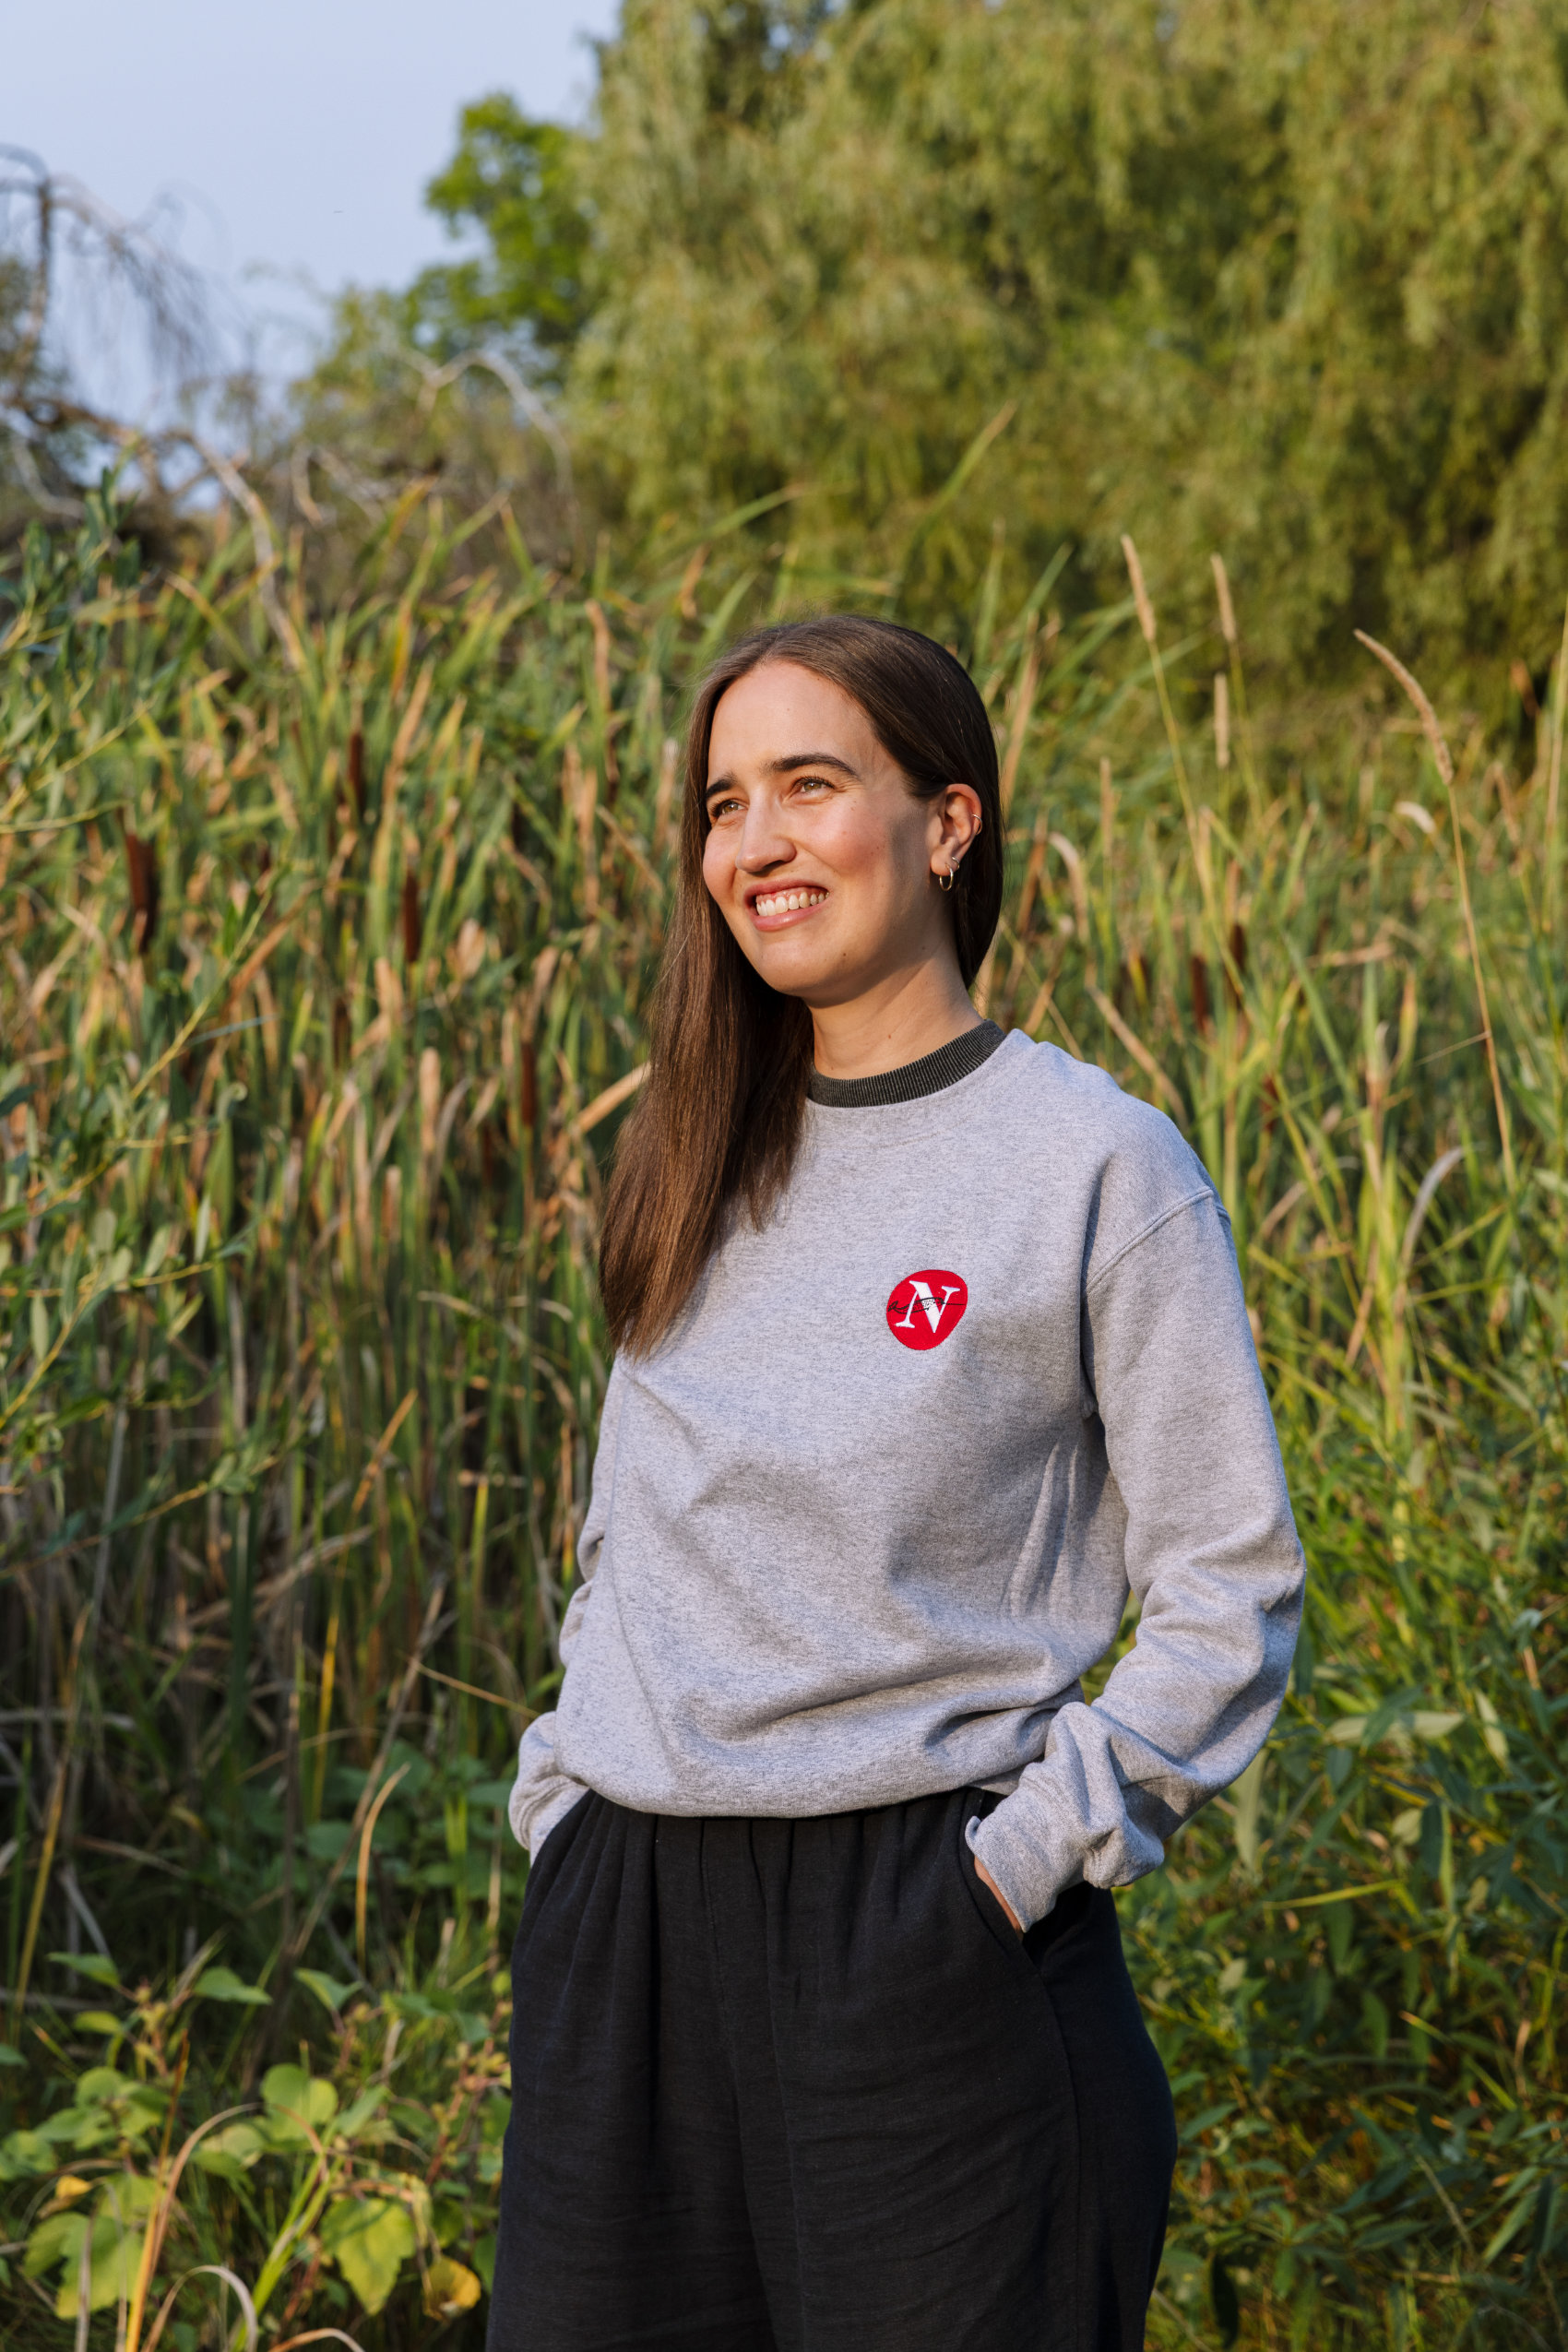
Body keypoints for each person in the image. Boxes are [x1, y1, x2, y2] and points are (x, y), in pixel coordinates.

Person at [489, 615, 1304, 2352]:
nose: (757, 842)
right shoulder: (691, 1152)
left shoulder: (1090, 1161)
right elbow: (627, 1538)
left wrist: (1011, 1874)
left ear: (949, 824)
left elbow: (1233, 1585)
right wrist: (563, 1815)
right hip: (627, 1948)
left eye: (810, 784)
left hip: (927, 1945)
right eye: (724, 802)